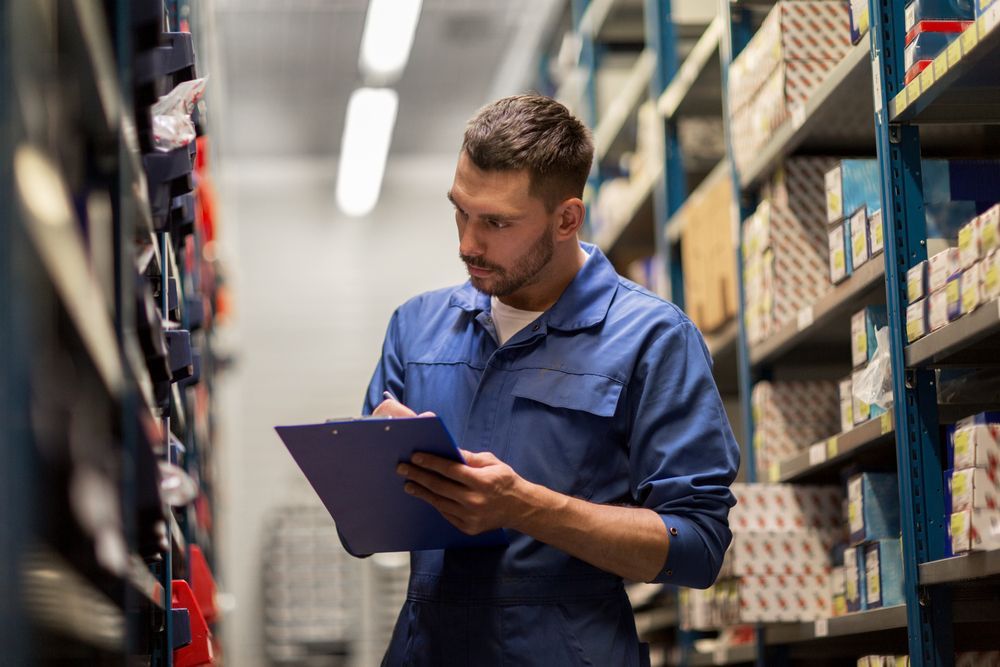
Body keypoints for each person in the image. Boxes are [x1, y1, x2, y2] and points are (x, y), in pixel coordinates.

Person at [363, 94, 739, 666]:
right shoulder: (415, 329)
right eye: (460, 210)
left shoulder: (652, 338)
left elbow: (698, 549)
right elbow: (363, 526)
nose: (467, 242)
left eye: (496, 222)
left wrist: (526, 508)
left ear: (566, 218)